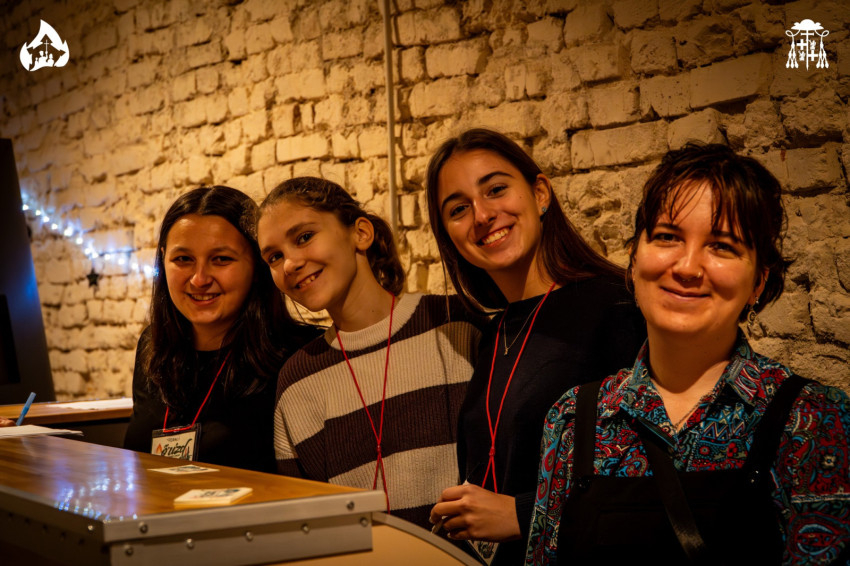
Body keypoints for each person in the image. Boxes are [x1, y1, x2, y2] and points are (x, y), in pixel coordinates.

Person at [526, 144, 850, 565]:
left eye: (722, 246)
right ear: (634, 260)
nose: (687, 267)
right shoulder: (574, 420)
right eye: (667, 237)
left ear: (758, 282)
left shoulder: (815, 422)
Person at [425, 128, 646, 564]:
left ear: (540, 193)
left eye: (496, 189)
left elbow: (653, 476)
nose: (482, 215)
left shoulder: (617, 307)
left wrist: (523, 514)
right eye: (458, 208)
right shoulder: (495, 331)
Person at [257, 177, 483, 530]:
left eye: (304, 237)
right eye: (275, 257)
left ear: (360, 233)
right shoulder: (298, 382)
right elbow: (309, 525)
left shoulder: (455, 324)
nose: (289, 264)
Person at [124, 186, 316, 472]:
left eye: (221, 259)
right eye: (183, 259)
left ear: (257, 266)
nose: (199, 279)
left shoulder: (301, 355)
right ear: (163, 260)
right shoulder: (153, 345)